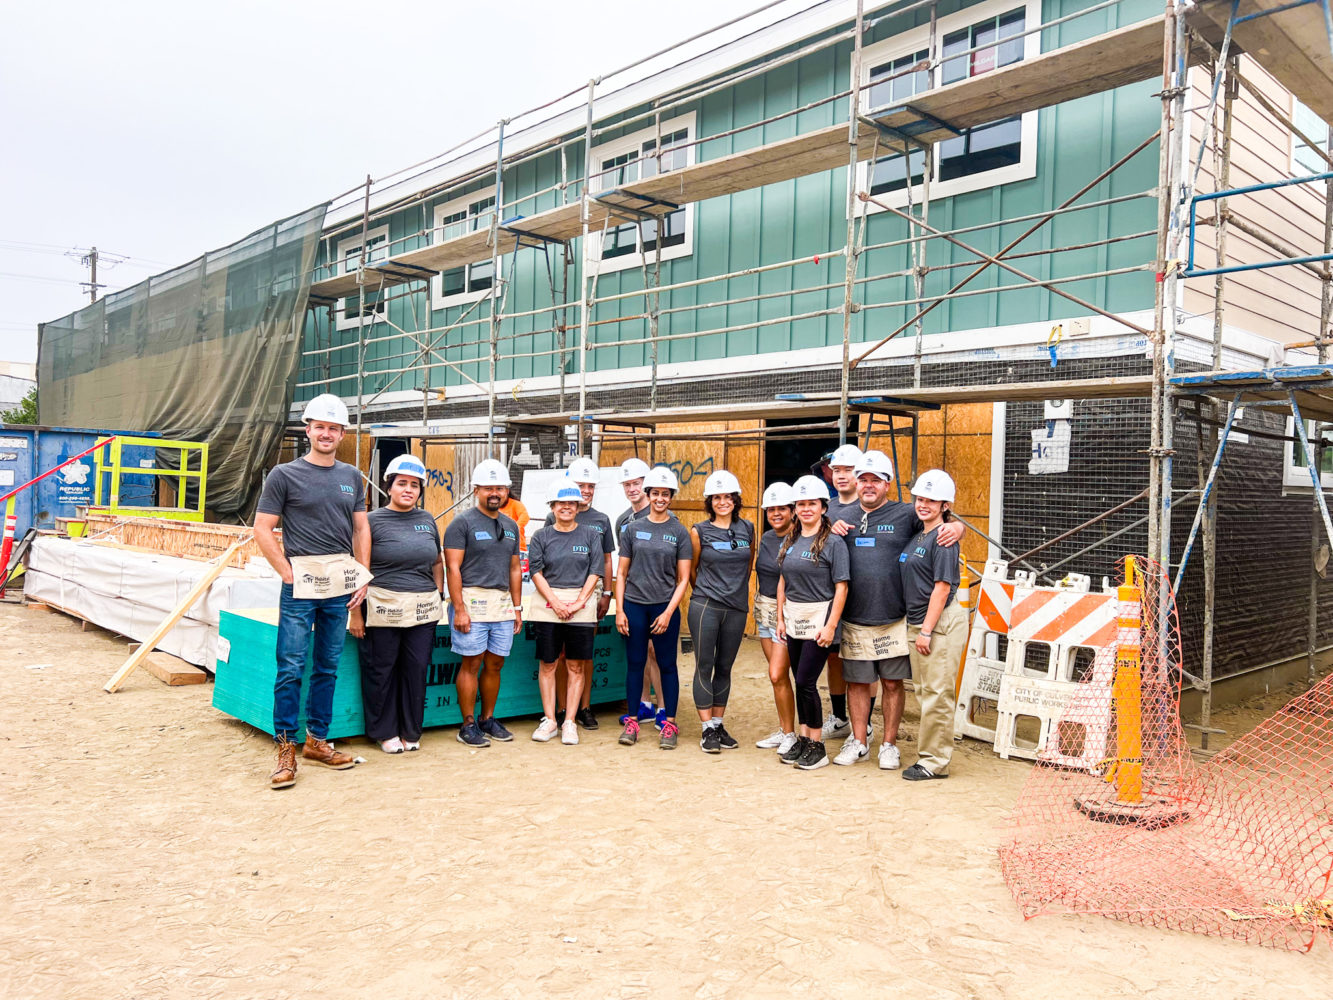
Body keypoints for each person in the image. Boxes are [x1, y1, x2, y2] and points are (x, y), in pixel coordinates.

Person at [254, 393, 371, 790]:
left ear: (341, 434)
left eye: (333, 428)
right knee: (290, 666)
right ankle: (287, 748)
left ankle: (317, 741)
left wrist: (362, 576)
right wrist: (287, 573)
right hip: (300, 586)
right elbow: (262, 528)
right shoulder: (283, 476)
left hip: (339, 585)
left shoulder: (351, 476)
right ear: (308, 430)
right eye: (319, 426)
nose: (326, 433)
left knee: (327, 665)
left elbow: (360, 528)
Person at [829, 450, 964, 768]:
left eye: (876, 479)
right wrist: (832, 528)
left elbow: (941, 521)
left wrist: (958, 529)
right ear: (857, 484)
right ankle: (859, 741)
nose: (869, 485)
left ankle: (889, 744)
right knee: (858, 683)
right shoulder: (842, 516)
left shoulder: (907, 513)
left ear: (888, 484)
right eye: (864, 479)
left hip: (896, 619)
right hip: (855, 619)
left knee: (892, 683)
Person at [349, 454, 442, 754]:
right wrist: (356, 615)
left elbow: (437, 561)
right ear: (389, 487)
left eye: (415, 485)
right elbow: (356, 569)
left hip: (422, 608)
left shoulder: (427, 520)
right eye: (402, 483)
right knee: (381, 669)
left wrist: (438, 593)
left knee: (415, 668)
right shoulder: (371, 521)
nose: (408, 490)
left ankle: (410, 730)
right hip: (383, 605)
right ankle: (384, 731)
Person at [443, 458, 523, 748]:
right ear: (476, 489)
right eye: (489, 487)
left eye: (500, 488)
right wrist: (460, 609)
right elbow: (453, 568)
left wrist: (517, 608)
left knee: (495, 663)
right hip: (471, 600)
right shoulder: (461, 523)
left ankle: (488, 719)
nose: (495, 493)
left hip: (501, 603)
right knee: (471, 662)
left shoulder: (511, 526)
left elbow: (515, 568)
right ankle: (467, 723)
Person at [775, 475, 849, 771]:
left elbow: (841, 587)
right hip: (794, 619)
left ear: (823, 507)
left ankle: (817, 746)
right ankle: (804, 740)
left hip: (820, 621)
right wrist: (780, 618)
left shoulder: (834, 543)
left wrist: (831, 626)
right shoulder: (791, 540)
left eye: (812, 504)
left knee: (806, 681)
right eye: (801, 504)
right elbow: (783, 580)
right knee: (799, 681)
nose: (806, 509)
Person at [614, 465, 691, 750]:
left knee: (668, 665)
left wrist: (669, 612)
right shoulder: (632, 529)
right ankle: (633, 721)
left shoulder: (679, 531)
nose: (660, 498)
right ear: (649, 494)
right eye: (655, 493)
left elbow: (683, 579)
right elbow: (621, 573)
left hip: (664, 608)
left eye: (665, 494)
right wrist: (620, 610)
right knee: (635, 665)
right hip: (635, 605)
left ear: (671, 496)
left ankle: (668, 723)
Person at [900, 470, 966, 781]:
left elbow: (942, 587)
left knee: (938, 693)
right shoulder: (920, 534)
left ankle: (934, 762)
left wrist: (926, 630)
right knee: (926, 692)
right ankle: (929, 756)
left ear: (944, 505)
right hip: (920, 622)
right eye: (920, 499)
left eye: (931, 500)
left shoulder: (944, 539)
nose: (923, 504)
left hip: (937, 624)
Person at [527, 481, 603, 746]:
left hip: (581, 606)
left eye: (572, 503)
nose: (567, 507)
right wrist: (556, 603)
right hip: (549, 604)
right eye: (561, 503)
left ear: (579, 507)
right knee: (549, 663)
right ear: (553, 507)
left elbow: (595, 571)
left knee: (575, 665)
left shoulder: (592, 536)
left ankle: (570, 722)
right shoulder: (541, 536)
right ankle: (550, 720)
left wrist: (579, 602)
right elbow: (535, 571)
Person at [688, 470, 754, 753]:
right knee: (705, 665)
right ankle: (706, 730)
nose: (723, 502)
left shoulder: (747, 528)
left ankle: (717, 723)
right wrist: (708, 591)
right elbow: (691, 570)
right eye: (717, 497)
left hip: (737, 607)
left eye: (728, 497)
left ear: (736, 499)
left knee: (725, 667)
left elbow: (748, 562)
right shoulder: (699, 530)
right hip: (706, 605)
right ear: (710, 501)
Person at [546, 456, 614, 731]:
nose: (586, 490)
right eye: (581, 485)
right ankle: (562, 709)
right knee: (561, 655)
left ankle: (584, 707)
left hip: (591, 591)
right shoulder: (554, 515)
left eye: (590, 486)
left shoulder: (601, 519)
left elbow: (607, 560)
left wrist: (607, 593)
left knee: (583, 654)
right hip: (560, 590)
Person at [614, 457, 665, 728]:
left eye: (637, 483)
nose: (632, 488)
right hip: (633, 597)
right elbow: (622, 565)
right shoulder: (623, 520)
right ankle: (644, 704)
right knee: (639, 652)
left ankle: (663, 708)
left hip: (657, 596)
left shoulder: (661, 515)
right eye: (628, 484)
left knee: (655, 652)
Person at [821, 442, 863, 742]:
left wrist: (959, 528)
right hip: (833, 597)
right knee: (834, 658)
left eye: (848, 470)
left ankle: (866, 724)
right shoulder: (827, 507)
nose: (842, 476)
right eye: (837, 470)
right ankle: (838, 718)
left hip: (866, 598)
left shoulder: (872, 503)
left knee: (863, 662)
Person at [752, 482, 799, 756]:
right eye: (771, 509)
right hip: (764, 611)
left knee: (778, 673)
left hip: (788, 613)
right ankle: (786, 730)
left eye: (782, 508)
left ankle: (794, 733)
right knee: (778, 678)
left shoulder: (801, 536)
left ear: (792, 510)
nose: (776, 513)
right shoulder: (768, 537)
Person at [496, 485, 530, 553]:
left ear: (507, 492)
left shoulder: (516, 504)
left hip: (518, 547)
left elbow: (525, 516)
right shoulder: (494, 507)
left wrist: (514, 528)